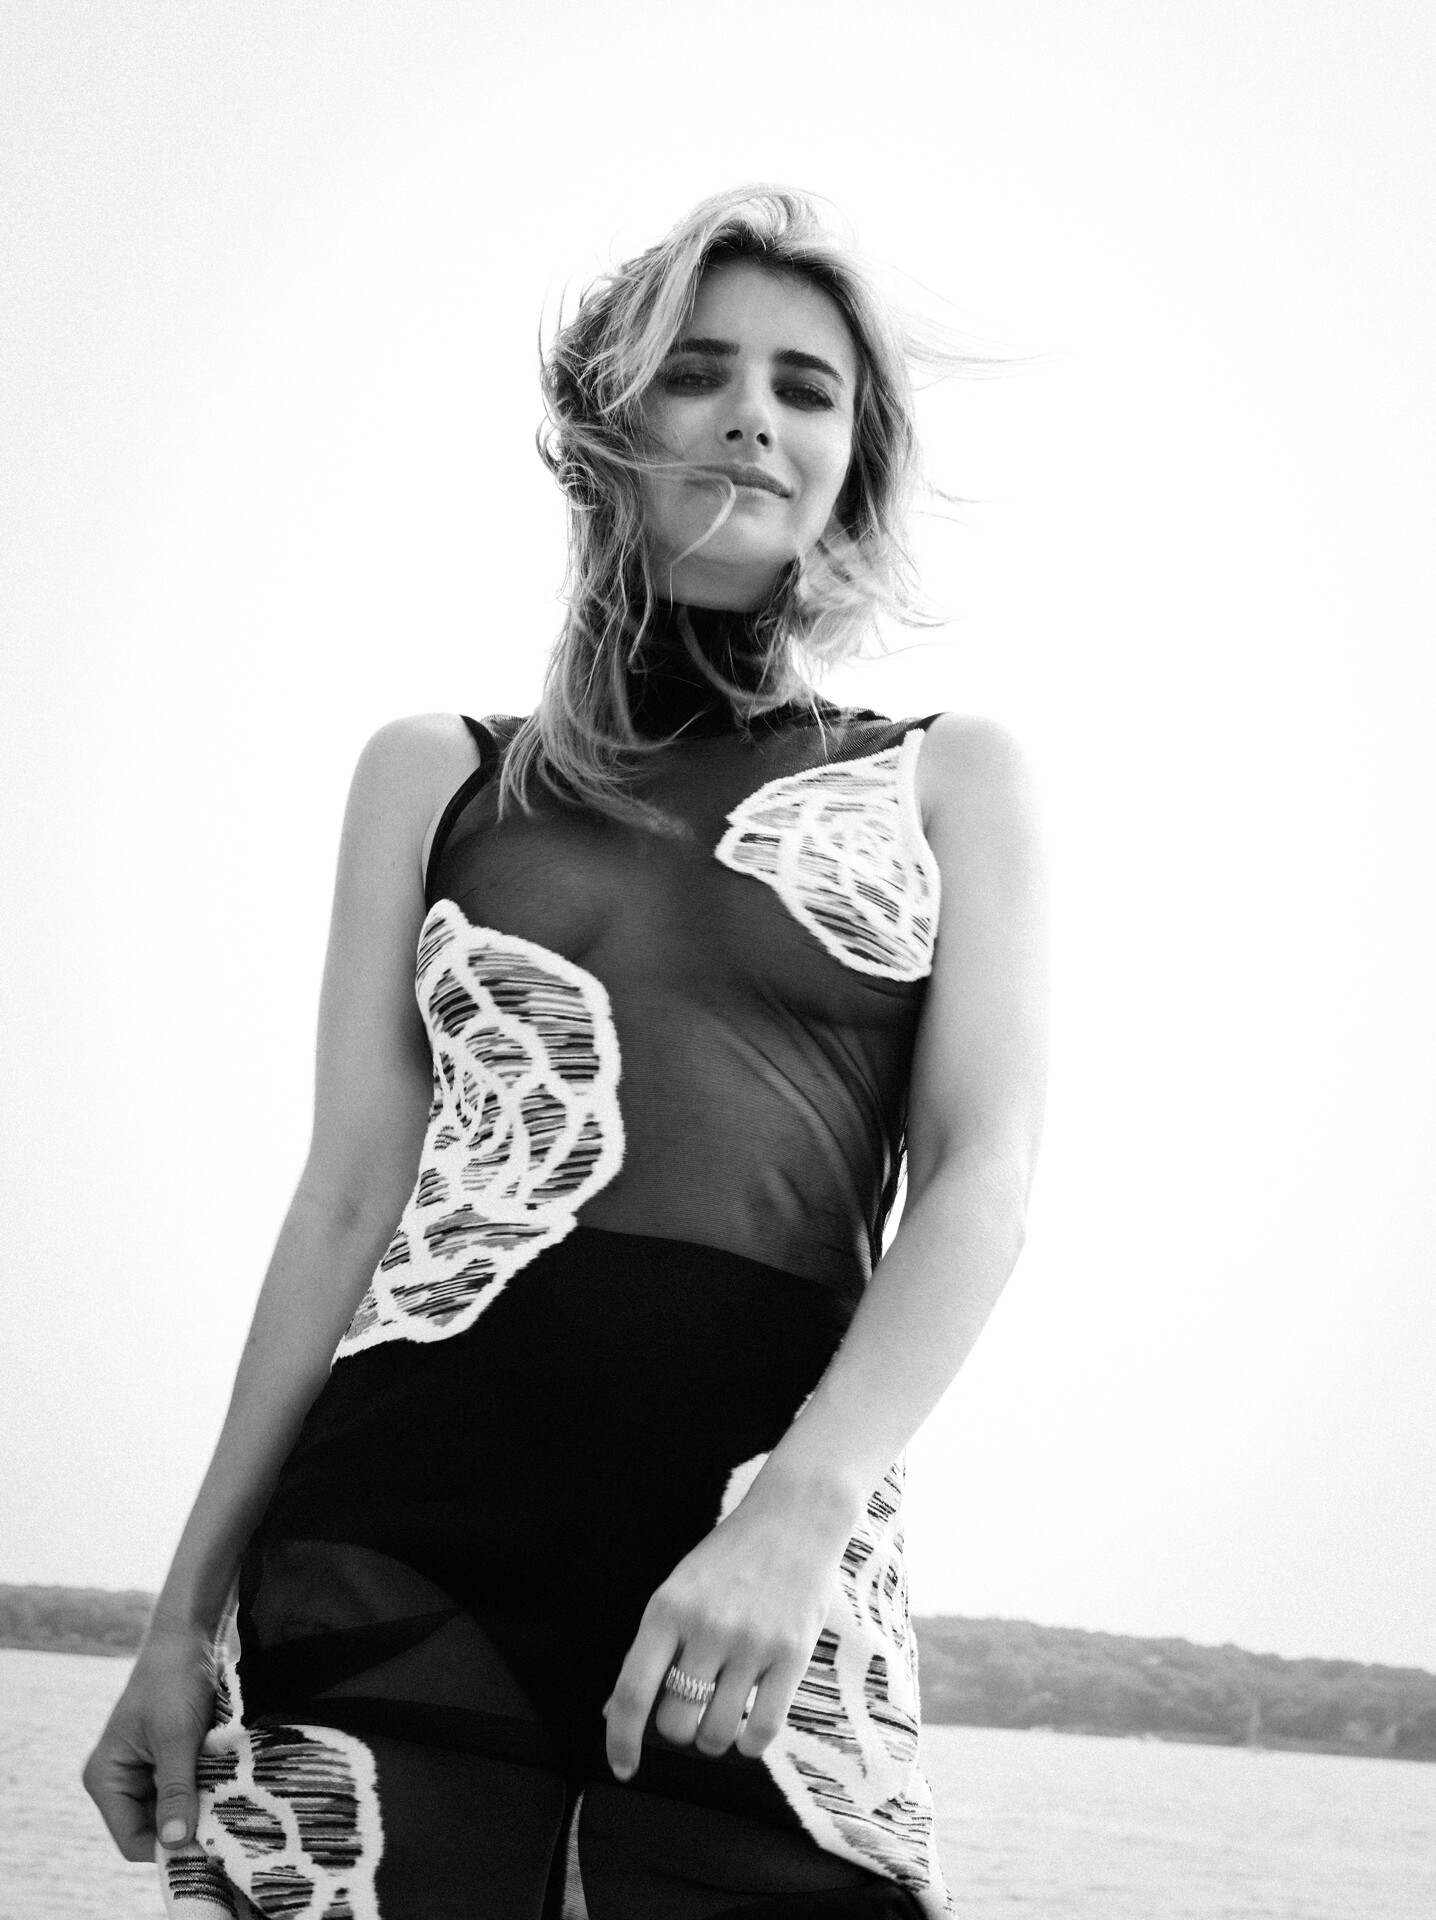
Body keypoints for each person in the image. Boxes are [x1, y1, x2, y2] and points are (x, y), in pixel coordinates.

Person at [84, 185, 1048, 1920]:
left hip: (761, 1546)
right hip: (394, 1542)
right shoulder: (434, 774)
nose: (751, 413)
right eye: (698, 370)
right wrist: (177, 1620)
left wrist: (801, 1513)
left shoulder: (944, 778)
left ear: (854, 464)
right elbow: (345, 1204)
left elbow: (985, 1176)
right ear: (609, 425)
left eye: (806, 388)